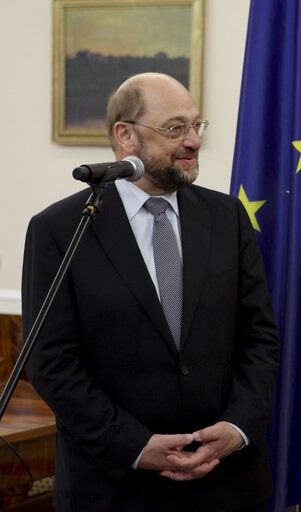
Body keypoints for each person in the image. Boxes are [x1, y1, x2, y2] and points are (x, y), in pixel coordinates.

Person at [22, 73, 280, 511]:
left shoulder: (227, 217)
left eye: (197, 126)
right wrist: (136, 446)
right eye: (175, 128)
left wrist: (236, 428)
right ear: (126, 136)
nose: (193, 142)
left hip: (224, 483)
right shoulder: (61, 229)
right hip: (114, 486)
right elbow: (52, 362)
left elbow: (260, 337)